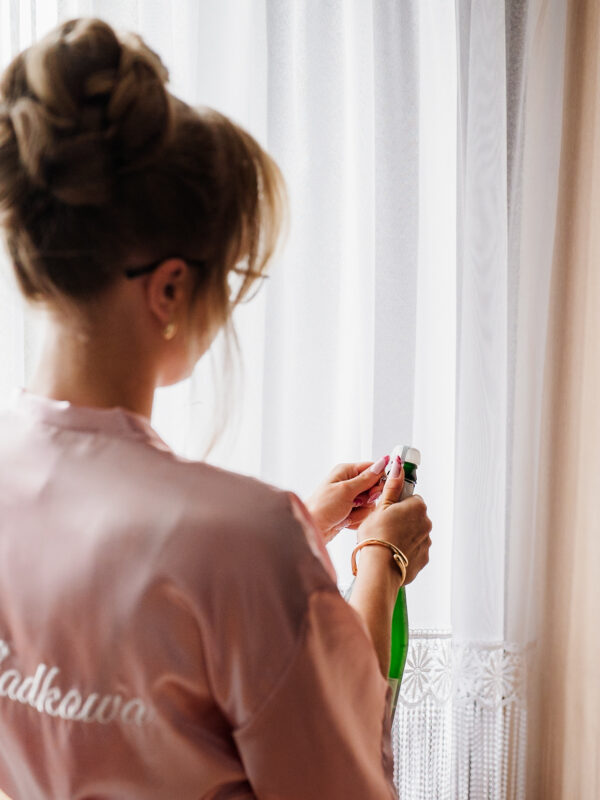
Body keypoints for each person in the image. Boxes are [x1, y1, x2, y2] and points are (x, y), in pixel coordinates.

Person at [0, 18, 432, 800]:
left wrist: (301, 536)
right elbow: (343, 779)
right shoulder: (246, 544)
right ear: (170, 287)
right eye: (231, 274)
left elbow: (124, 603)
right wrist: (380, 568)